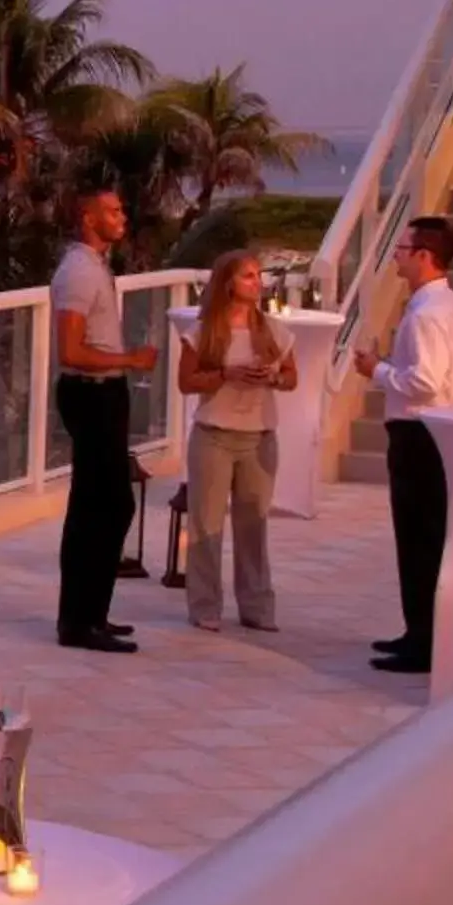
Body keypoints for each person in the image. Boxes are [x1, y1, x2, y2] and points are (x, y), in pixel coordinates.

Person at [353, 216, 453, 676]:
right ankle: (419, 632)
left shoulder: (426, 313)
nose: (397, 255)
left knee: (419, 538)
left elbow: (424, 382)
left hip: (419, 434)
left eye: (403, 248)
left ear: (425, 255)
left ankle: (423, 641)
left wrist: (377, 371)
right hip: (438, 432)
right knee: (426, 537)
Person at [50, 187, 158, 652]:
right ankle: (79, 621)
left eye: (122, 208)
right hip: (90, 394)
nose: (122, 216)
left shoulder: (95, 266)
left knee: (101, 505)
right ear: (87, 217)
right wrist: (130, 359)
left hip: (106, 393)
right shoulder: (78, 271)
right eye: (112, 211)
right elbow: (70, 351)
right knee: (106, 506)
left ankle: (90, 615)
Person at [175, 250, 295, 633]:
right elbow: (186, 382)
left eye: (258, 276)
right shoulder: (205, 331)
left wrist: (271, 378)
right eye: (248, 276)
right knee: (207, 526)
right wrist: (225, 374)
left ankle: (257, 607)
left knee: (253, 527)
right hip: (214, 435)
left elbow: (291, 378)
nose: (256, 283)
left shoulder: (273, 330)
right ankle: (205, 605)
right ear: (228, 282)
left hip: (259, 436)